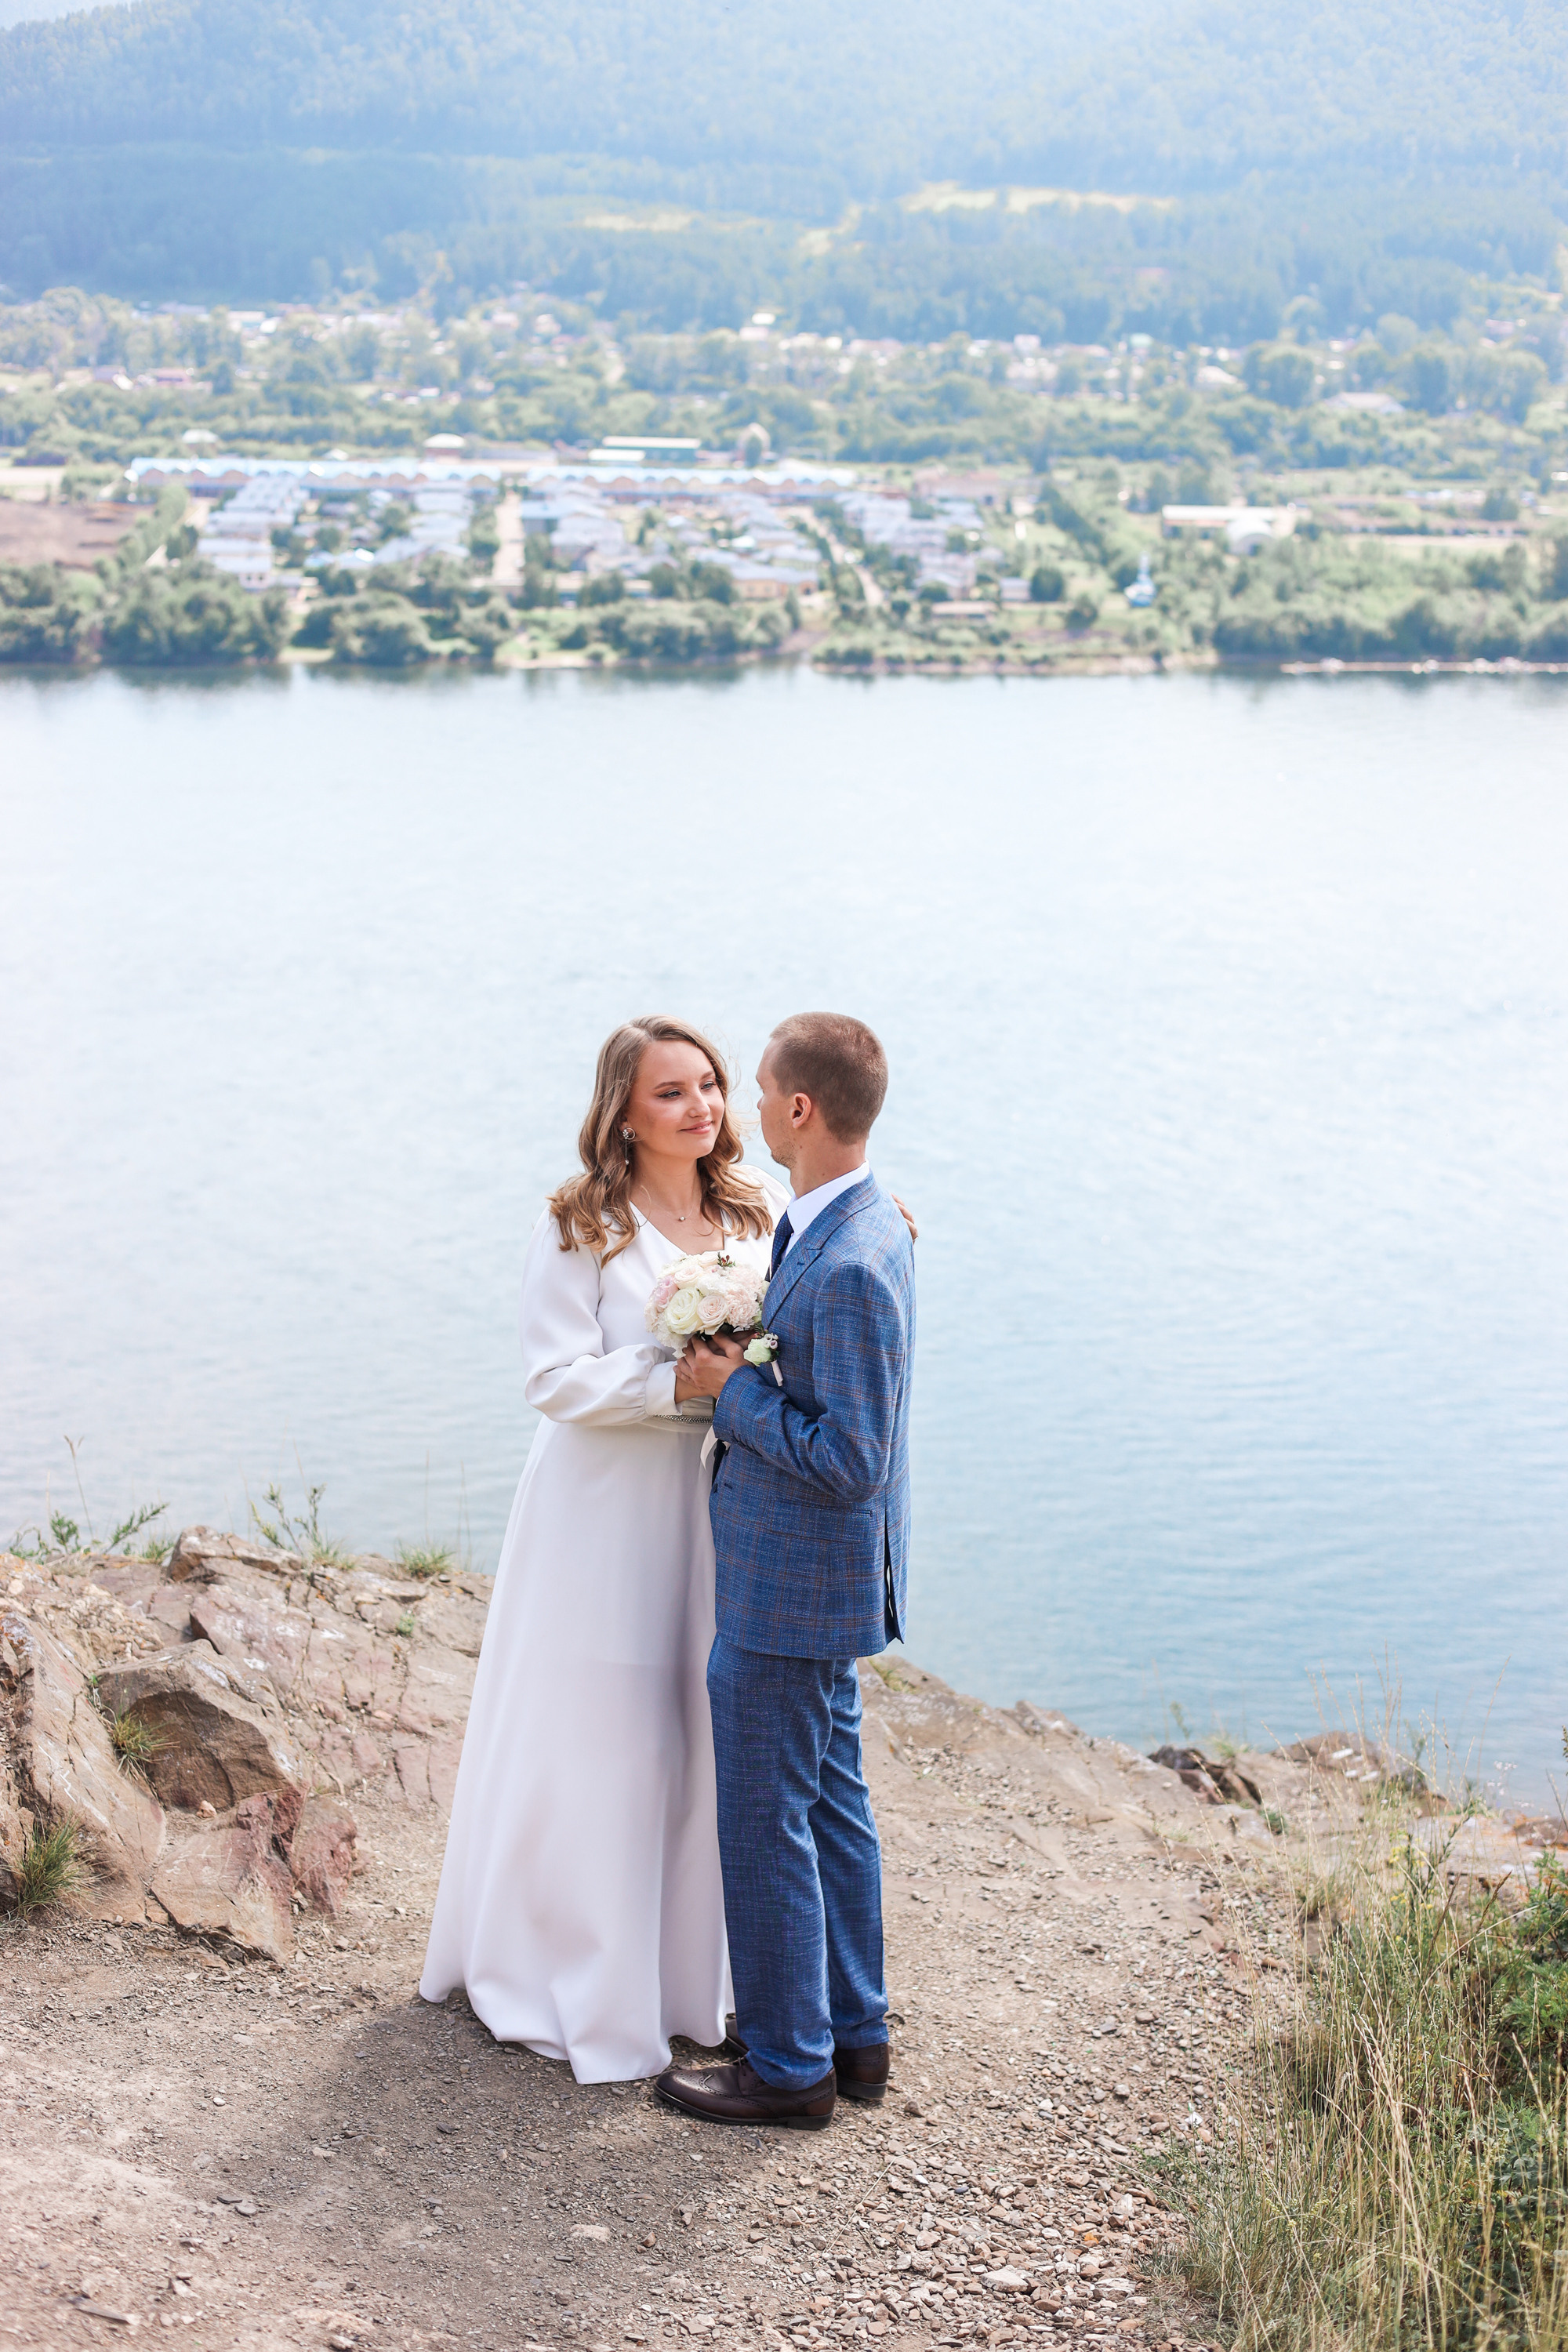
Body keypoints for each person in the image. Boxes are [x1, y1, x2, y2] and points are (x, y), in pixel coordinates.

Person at [418, 1014, 787, 2082]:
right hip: (603, 1510)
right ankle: (576, 1969)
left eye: (709, 1084)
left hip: (714, 1501)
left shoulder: (756, 1209)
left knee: (697, 1731)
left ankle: (689, 1979)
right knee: (607, 1734)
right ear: (623, 1110)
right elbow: (552, 1378)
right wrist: (676, 1379)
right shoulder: (580, 1223)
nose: (701, 1106)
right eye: (672, 1092)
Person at [656, 1012, 915, 2130]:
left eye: (760, 1089)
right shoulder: (852, 1221)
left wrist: (734, 1395)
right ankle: (855, 2037)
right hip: (822, 1584)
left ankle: (788, 2065)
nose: (748, 1106)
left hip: (790, 1588)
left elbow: (853, 1460)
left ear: (800, 1109)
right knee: (835, 1808)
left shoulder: (850, 1261)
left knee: (770, 1824)